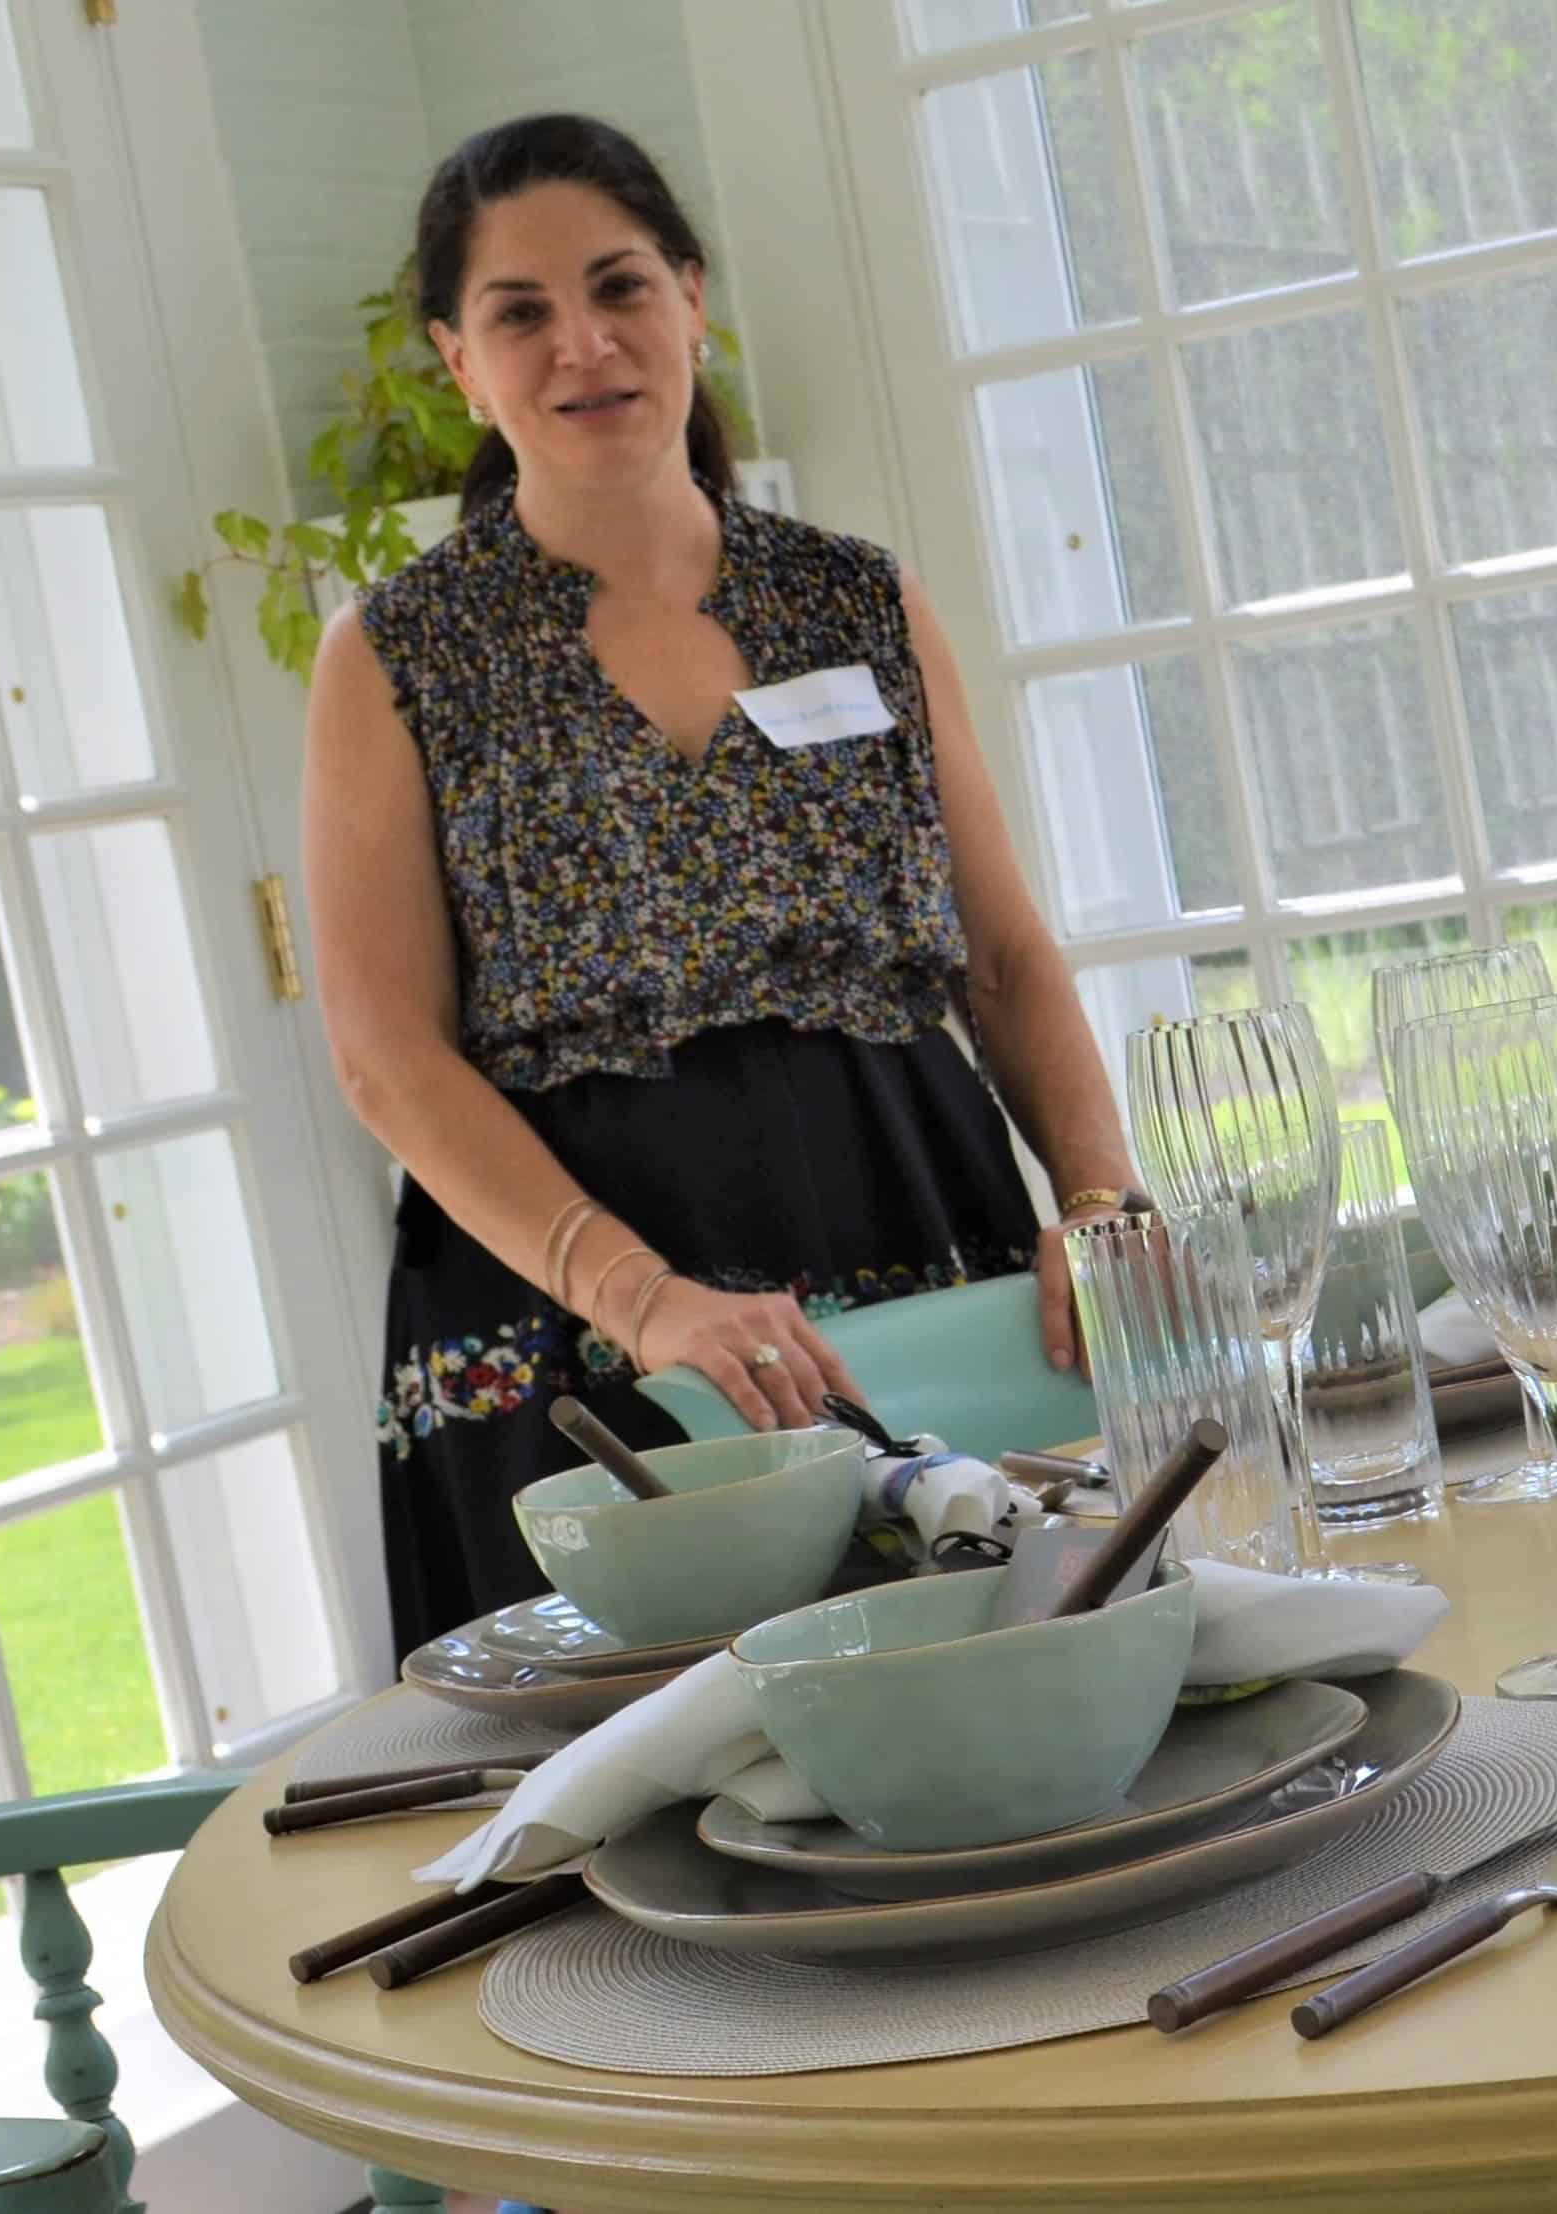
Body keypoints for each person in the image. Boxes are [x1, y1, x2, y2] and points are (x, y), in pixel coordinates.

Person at [305, 112, 1140, 1656]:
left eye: (621, 287)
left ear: (693, 297)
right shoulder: (397, 654)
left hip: (923, 1248)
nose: (585, 345)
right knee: (656, 1799)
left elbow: (1005, 957)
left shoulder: (856, 593)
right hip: (576, 1314)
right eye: (521, 312)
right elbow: (386, 1053)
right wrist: (642, 1299)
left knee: (988, 1693)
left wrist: (1097, 1197)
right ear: (456, 362)